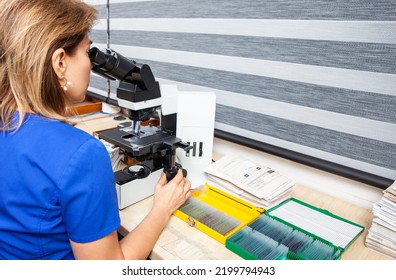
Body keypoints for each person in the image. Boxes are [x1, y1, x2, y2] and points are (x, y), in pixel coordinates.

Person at [0, 0, 191, 260]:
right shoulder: (81, 154)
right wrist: (162, 208)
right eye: (87, 52)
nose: (91, 66)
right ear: (59, 63)